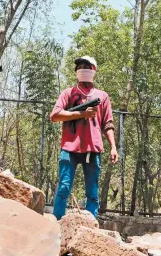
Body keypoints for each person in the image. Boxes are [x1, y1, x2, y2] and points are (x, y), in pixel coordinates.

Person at [50, 56, 119, 220]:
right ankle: (57, 223)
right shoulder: (68, 93)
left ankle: (91, 226)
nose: (83, 68)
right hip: (69, 148)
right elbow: (55, 115)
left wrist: (113, 147)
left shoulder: (102, 96)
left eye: (87, 65)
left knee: (93, 194)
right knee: (64, 188)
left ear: (94, 69)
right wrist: (81, 113)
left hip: (93, 149)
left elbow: (107, 123)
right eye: (80, 66)